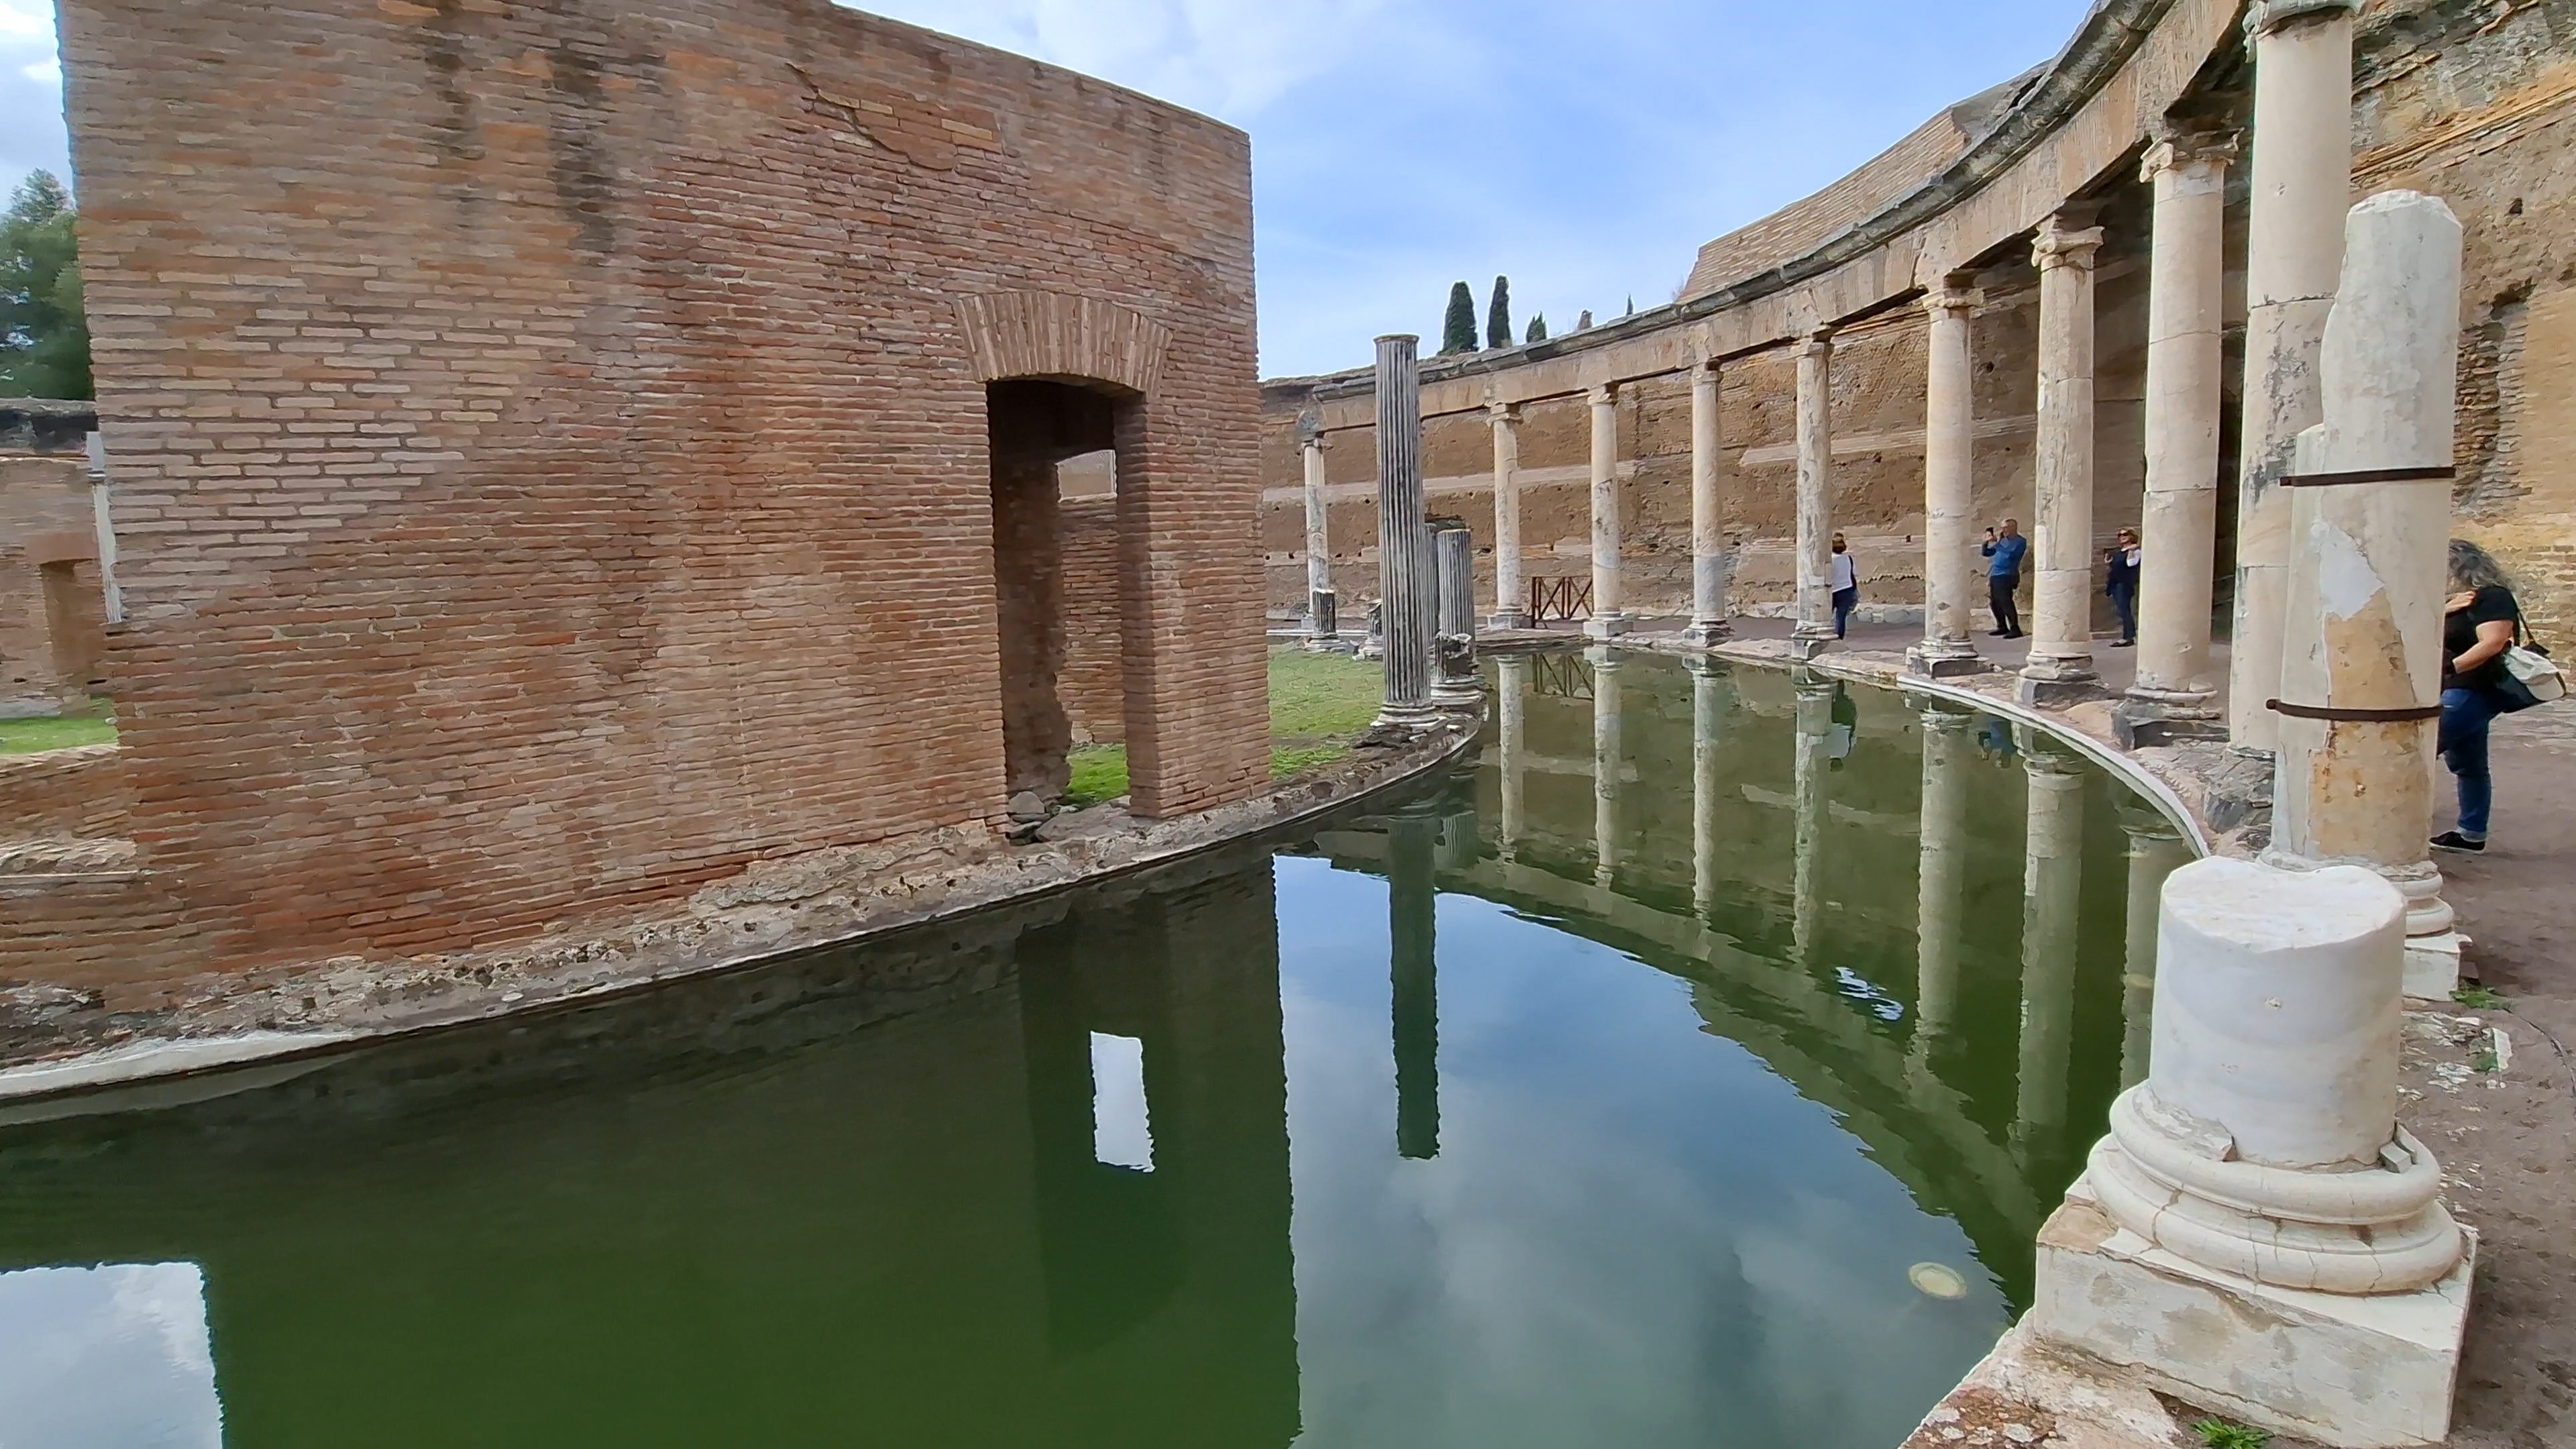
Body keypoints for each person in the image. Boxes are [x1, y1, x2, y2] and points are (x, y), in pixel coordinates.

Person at [2432, 539, 2523, 853]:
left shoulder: (2493, 598)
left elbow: (2493, 642)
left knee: (2416, 750)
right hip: (2461, 689)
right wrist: (2443, 611)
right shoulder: (2457, 601)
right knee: (2469, 764)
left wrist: (2449, 670)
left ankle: (2385, 826)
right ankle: (2471, 833)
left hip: (2474, 688)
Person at [1981, 519, 2027, 638]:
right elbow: (1986, 553)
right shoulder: (2002, 542)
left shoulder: (2020, 541)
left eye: (2006, 528)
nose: (2003, 530)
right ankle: (2002, 626)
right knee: (1995, 603)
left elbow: (2012, 555)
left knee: (2005, 601)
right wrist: (1986, 542)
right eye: (2002, 528)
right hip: (1995, 574)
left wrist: (1998, 543)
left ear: (2013, 527)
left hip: (2008, 574)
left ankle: (2015, 628)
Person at [2104, 528, 2141, 647]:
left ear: (2131, 536)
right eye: (2120, 535)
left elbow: (2131, 564)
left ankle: (2128, 637)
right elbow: (2117, 566)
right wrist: (2109, 562)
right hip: (2115, 583)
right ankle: (2128, 635)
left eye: (2125, 534)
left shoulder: (2135, 550)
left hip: (2125, 584)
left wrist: (2131, 551)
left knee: (2124, 610)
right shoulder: (2119, 552)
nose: (2122, 537)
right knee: (2121, 610)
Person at [1829, 532, 1860, 639]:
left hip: (1832, 591)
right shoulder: (1849, 558)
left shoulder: (1829, 560)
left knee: (1826, 617)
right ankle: (1839, 638)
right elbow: (1852, 575)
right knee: (1841, 618)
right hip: (1846, 589)